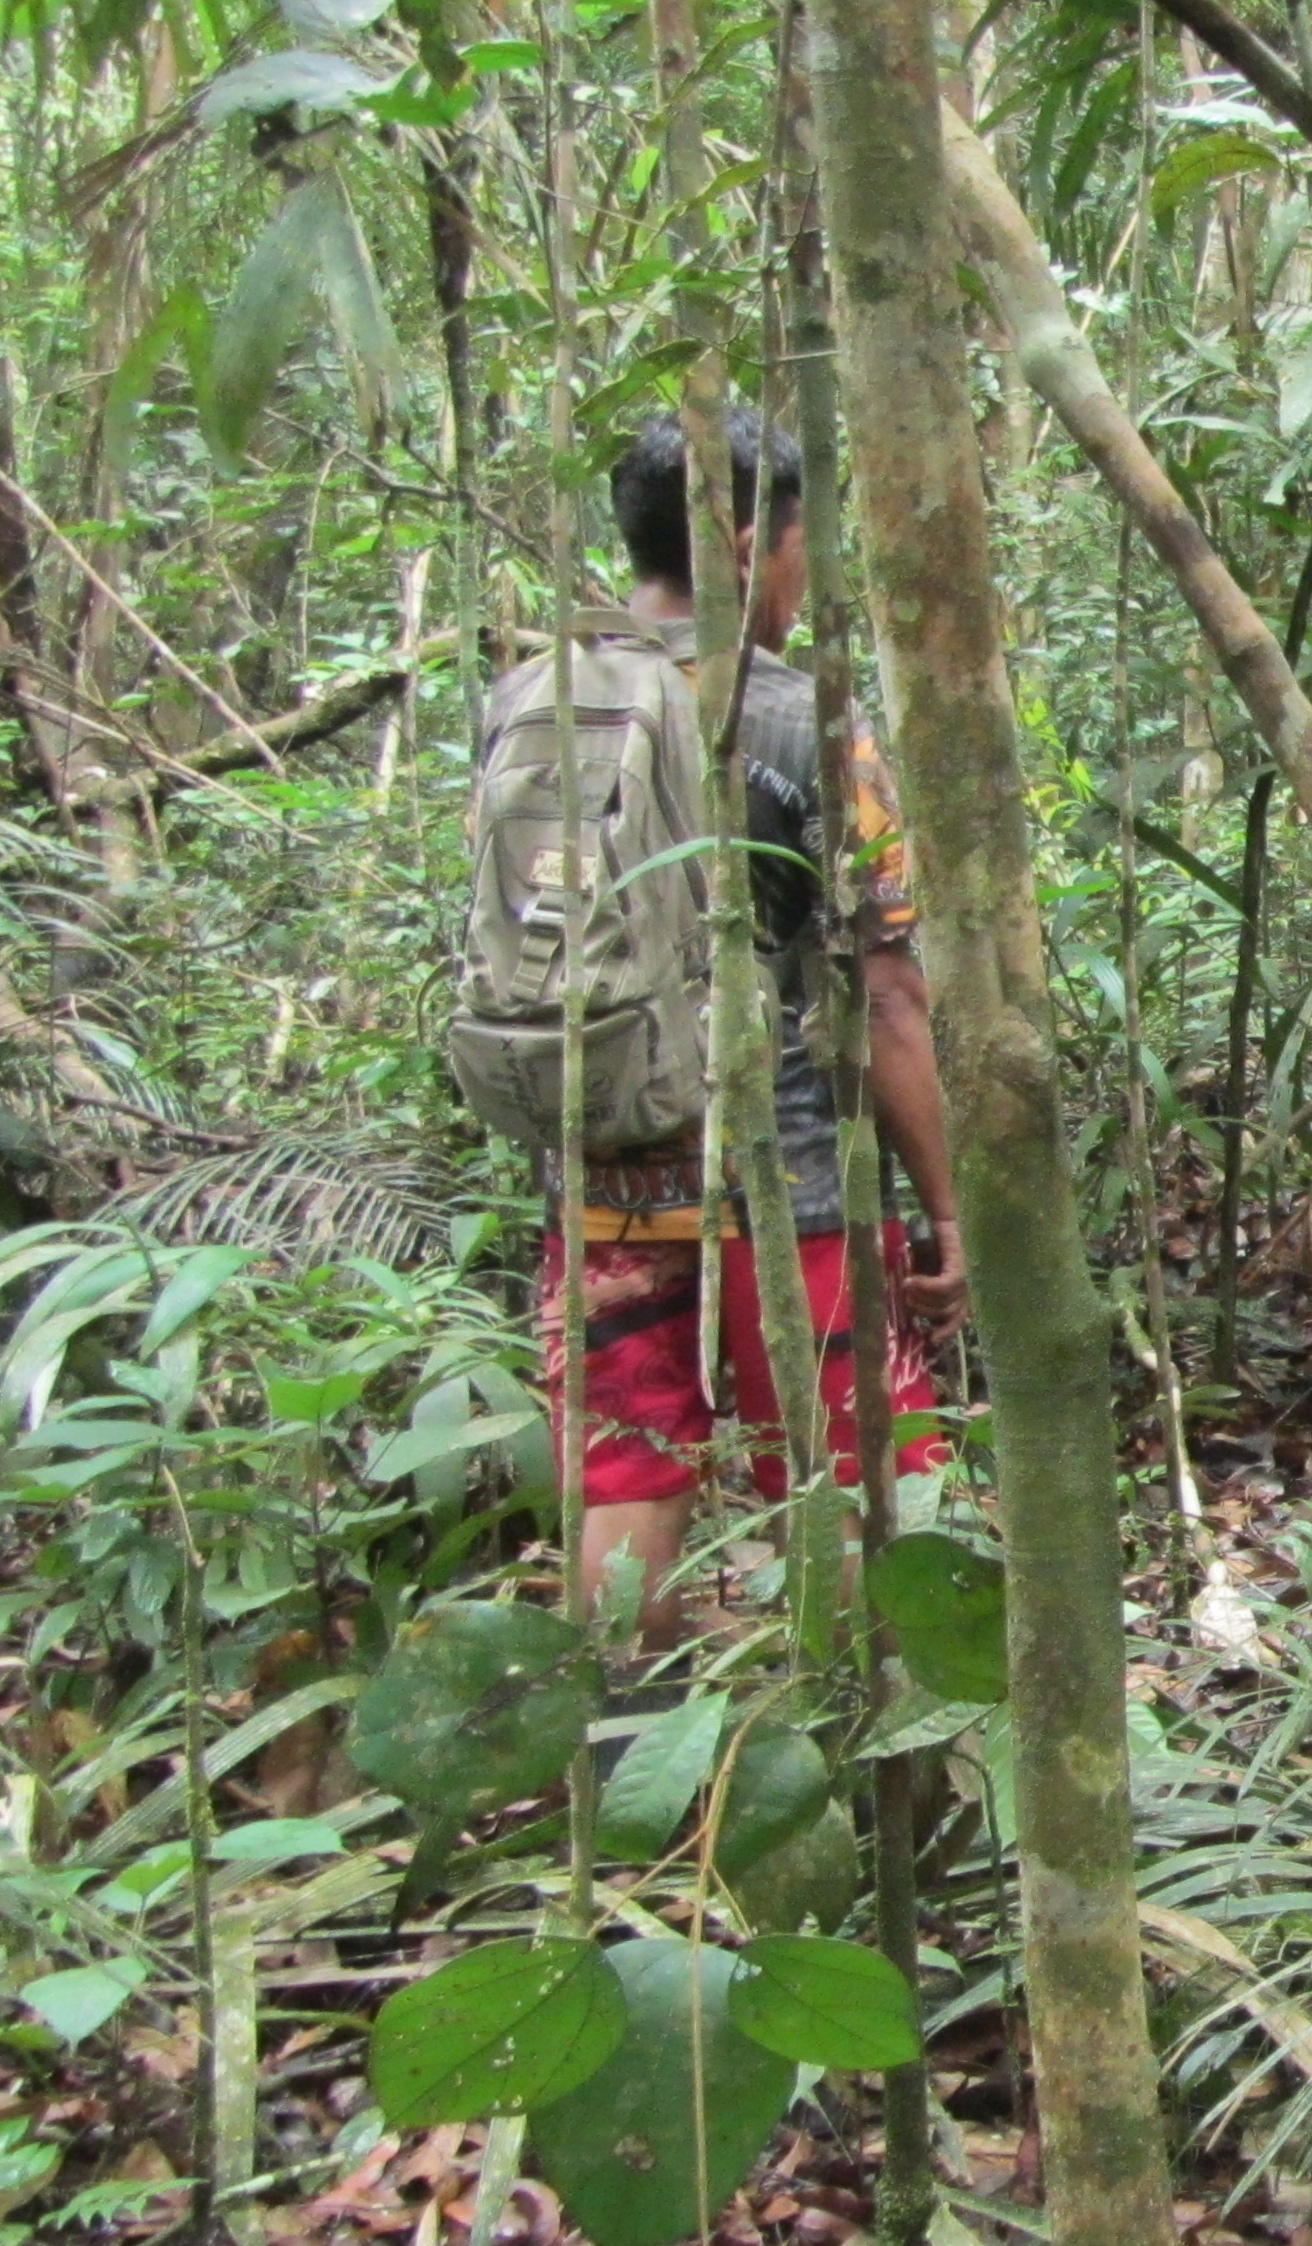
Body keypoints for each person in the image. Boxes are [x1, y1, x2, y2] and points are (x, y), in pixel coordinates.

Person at [499, 409, 964, 1646]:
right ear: (752, 541)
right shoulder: (803, 718)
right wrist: (944, 1204)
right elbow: (887, 987)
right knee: (859, 1472)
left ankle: (628, 1760)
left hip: (595, 1168)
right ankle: (887, 1764)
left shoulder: (528, 697)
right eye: (804, 544)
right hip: (795, 1182)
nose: (806, 577)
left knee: (623, 1475)